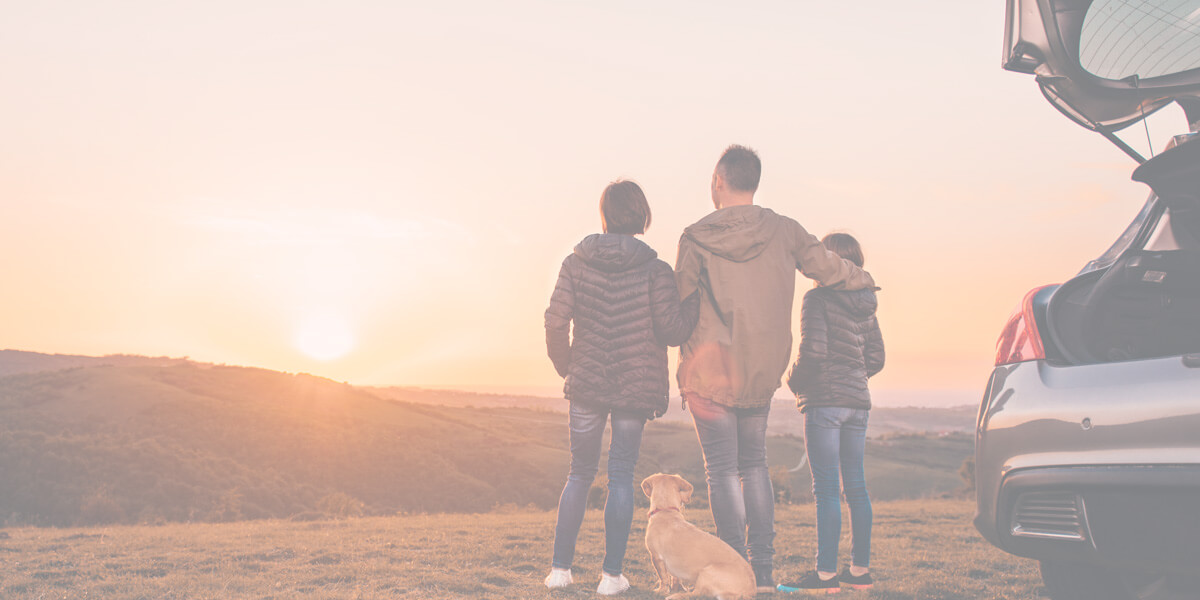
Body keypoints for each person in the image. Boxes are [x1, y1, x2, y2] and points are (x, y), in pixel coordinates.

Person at [674, 145, 875, 592]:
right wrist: (865, 281)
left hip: (710, 375)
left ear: (718, 181)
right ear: (755, 181)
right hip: (762, 371)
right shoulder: (786, 231)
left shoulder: (695, 237)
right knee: (754, 466)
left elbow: (679, 308)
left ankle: (734, 568)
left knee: (722, 471)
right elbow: (830, 269)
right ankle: (762, 573)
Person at [544, 179, 700, 595]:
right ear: (641, 215)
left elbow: (555, 321)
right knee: (621, 476)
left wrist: (569, 368)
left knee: (578, 473)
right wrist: (694, 301)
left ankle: (560, 571)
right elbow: (671, 330)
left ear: (605, 214)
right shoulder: (656, 270)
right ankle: (611, 577)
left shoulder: (575, 263)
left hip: (587, 386)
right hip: (634, 388)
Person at [777, 233, 884, 594]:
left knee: (826, 490)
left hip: (824, 401)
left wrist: (792, 381)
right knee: (856, 486)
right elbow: (876, 359)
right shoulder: (866, 303)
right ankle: (860, 573)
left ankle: (825, 577)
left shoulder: (817, 299)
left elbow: (814, 352)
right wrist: (852, 378)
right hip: (858, 402)